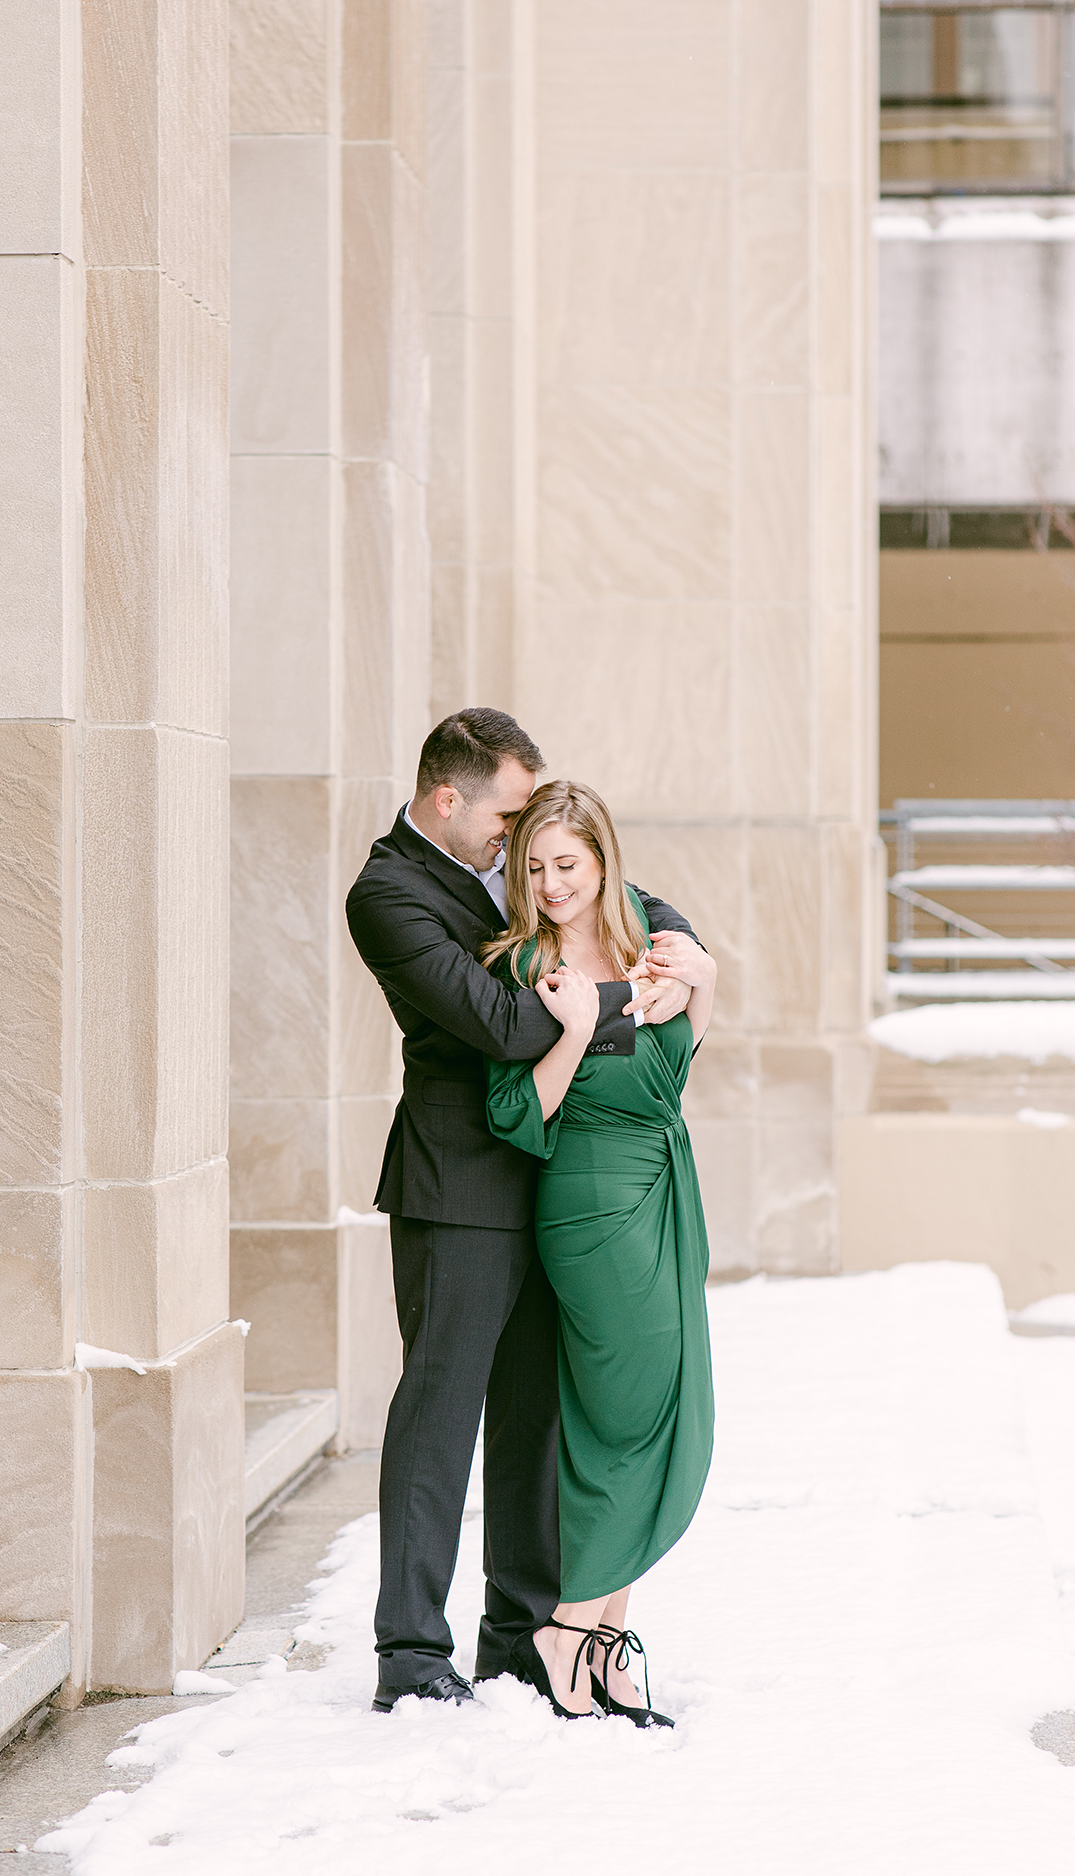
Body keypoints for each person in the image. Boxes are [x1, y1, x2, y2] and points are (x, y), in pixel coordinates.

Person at [345, 709, 699, 1714]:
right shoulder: (387, 893)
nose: (520, 839)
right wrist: (620, 998)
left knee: (534, 1421)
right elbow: (502, 1021)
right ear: (446, 798)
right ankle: (410, 1650)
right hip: (456, 1190)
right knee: (439, 1417)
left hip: (544, 1184)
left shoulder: (511, 871)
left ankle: (517, 1629)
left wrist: (679, 961)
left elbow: (640, 905)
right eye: (506, 815)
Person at [483, 779, 716, 1726]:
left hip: (663, 1189)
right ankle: (568, 1632)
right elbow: (515, 1114)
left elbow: (682, 1061)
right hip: (589, 1203)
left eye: (566, 865)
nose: (549, 884)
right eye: (534, 867)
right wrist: (576, 1030)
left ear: (603, 859)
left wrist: (699, 981)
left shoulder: (647, 948)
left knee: (654, 1412)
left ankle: (605, 1647)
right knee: (628, 1414)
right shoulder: (521, 964)